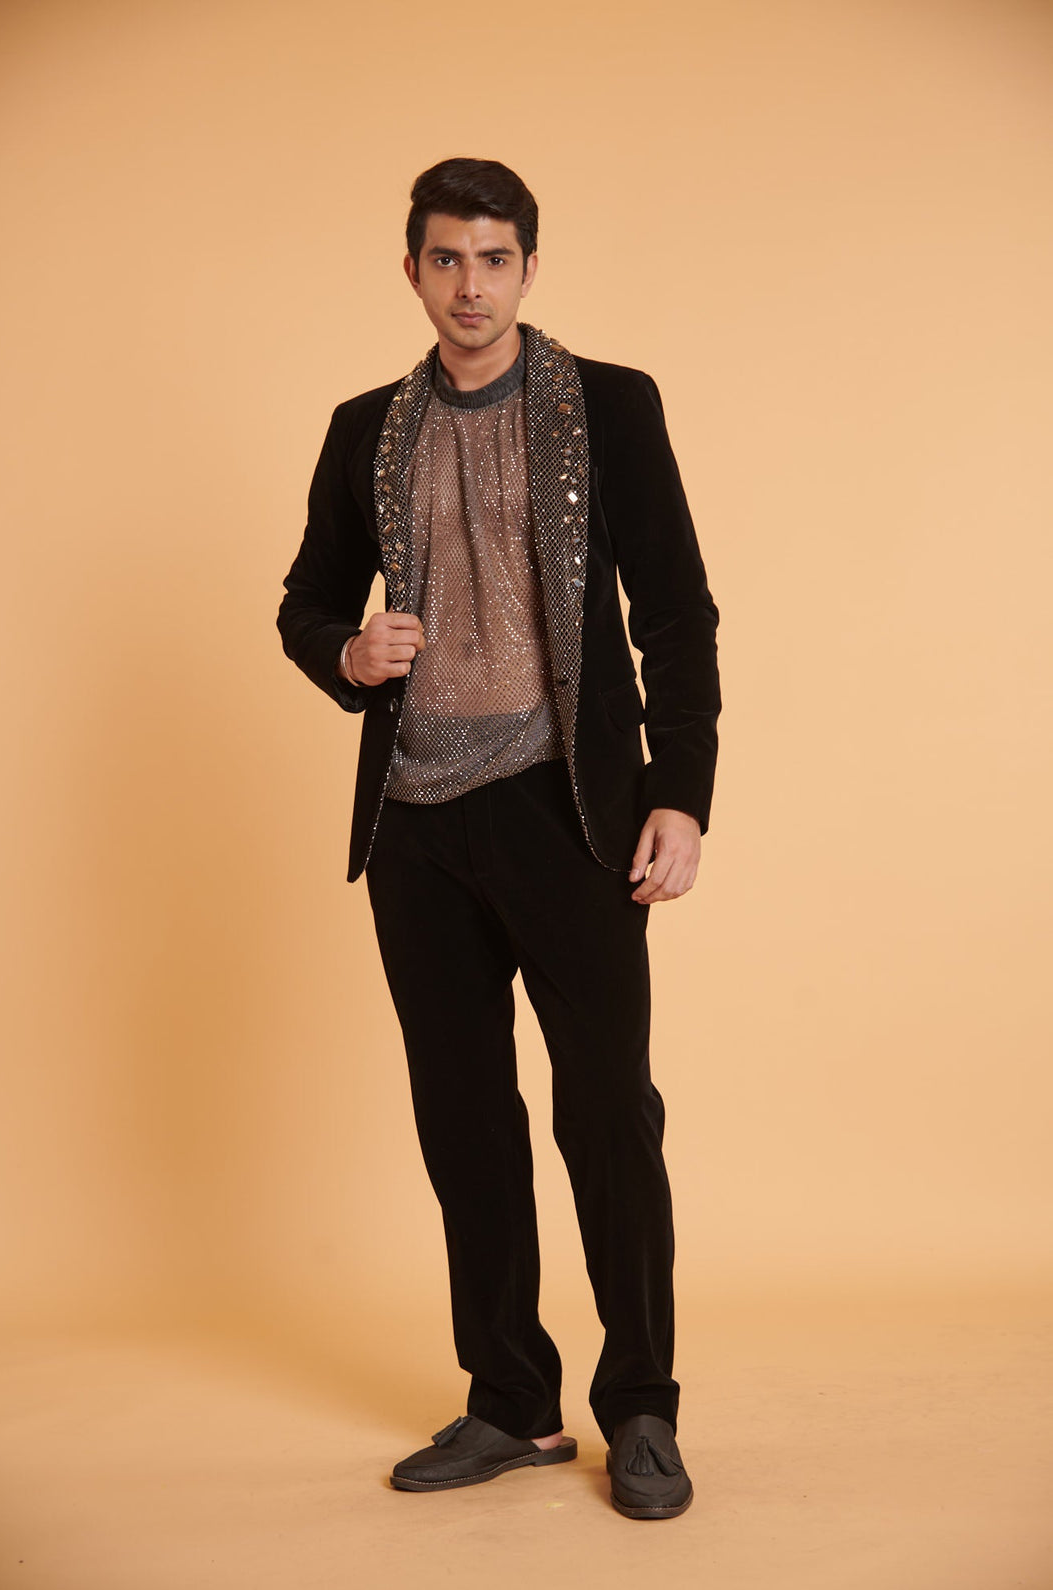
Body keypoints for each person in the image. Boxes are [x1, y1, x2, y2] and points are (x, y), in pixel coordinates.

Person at [276, 157, 721, 1520]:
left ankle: (640, 1406)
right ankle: (512, 1402)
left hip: (566, 810)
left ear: (529, 265)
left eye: (495, 258)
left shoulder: (611, 406)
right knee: (465, 1121)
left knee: (607, 1113)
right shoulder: (365, 428)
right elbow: (306, 603)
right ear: (412, 268)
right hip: (416, 825)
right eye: (446, 258)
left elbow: (677, 613)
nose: (471, 285)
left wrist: (680, 792)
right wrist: (347, 652)